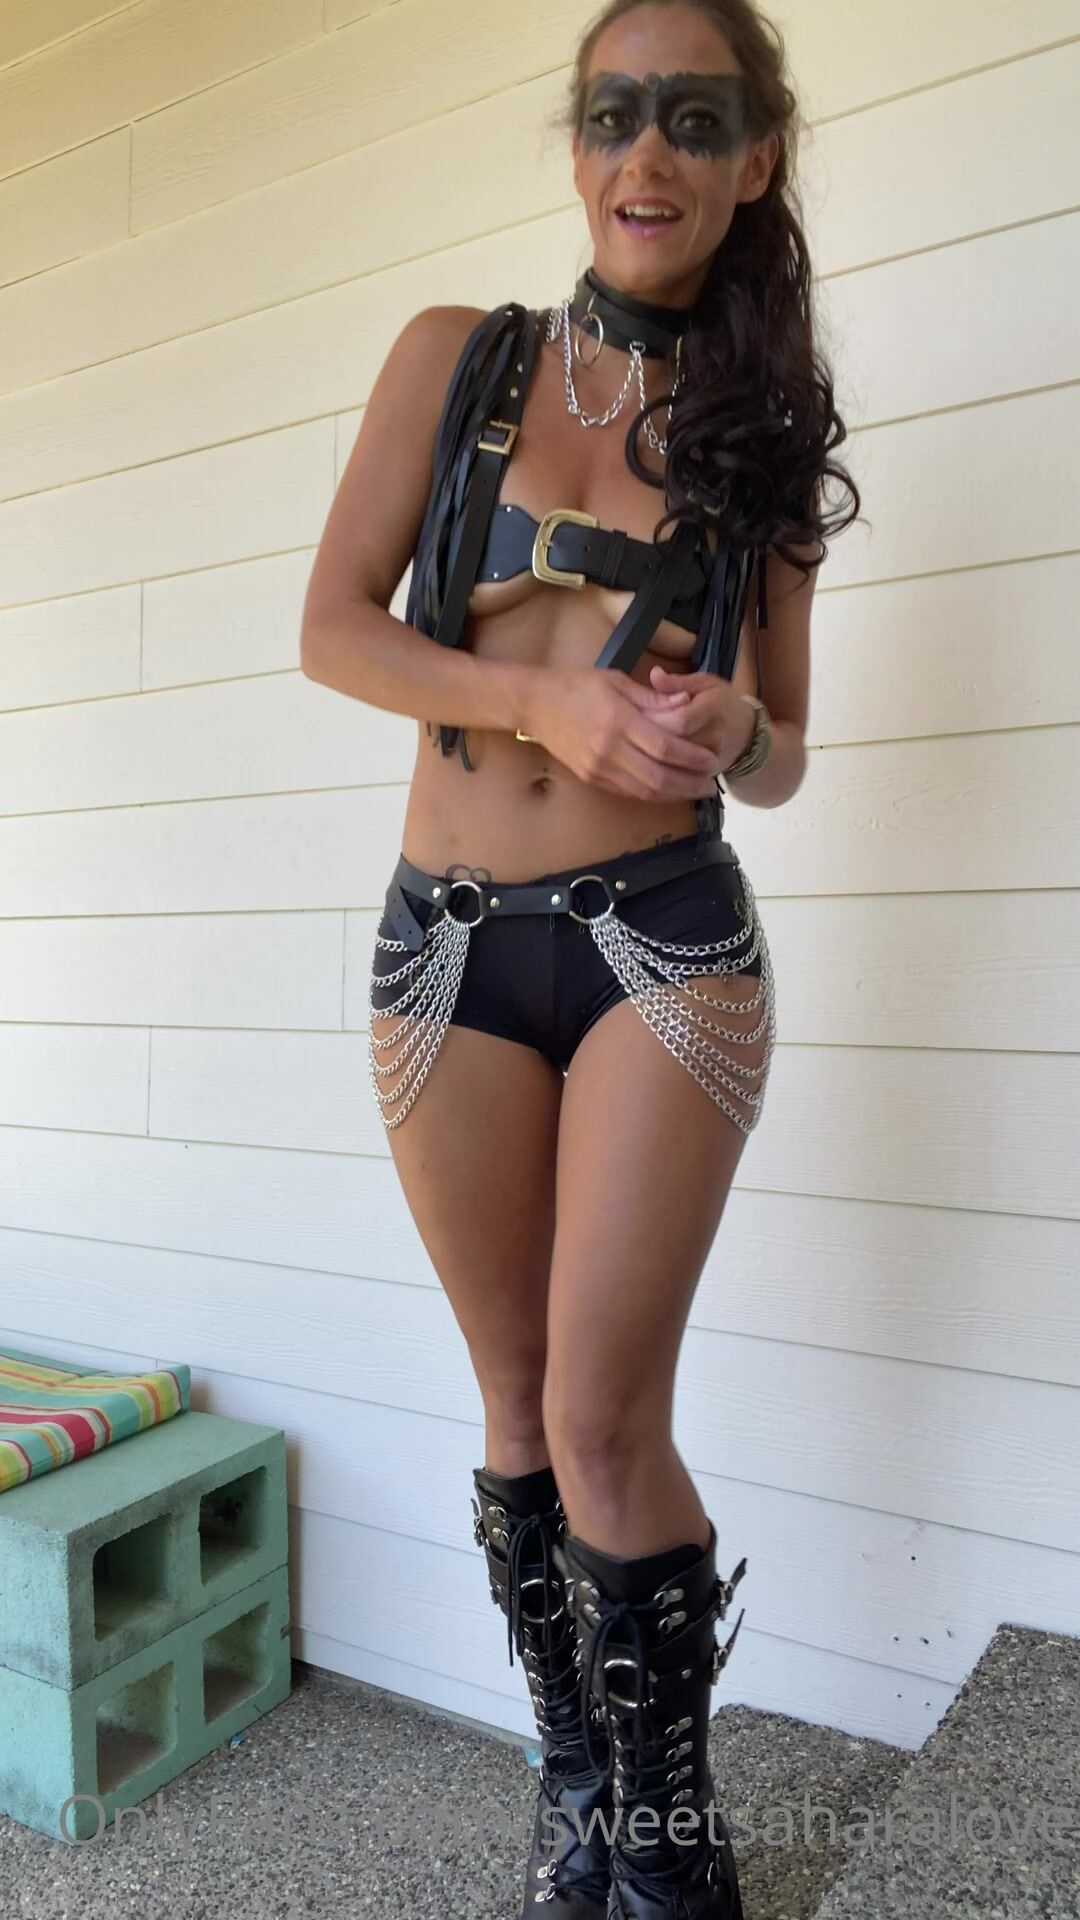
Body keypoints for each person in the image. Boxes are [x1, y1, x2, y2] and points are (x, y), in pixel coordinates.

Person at [300, 2, 859, 1913]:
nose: (648, 154)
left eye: (694, 121)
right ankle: (579, 1797)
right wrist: (538, 708)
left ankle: (674, 1856)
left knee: (610, 1420)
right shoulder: (456, 360)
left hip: (662, 945)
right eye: (615, 114)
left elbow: (786, 753)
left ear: (753, 161)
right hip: (446, 947)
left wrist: (737, 730)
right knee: (520, 1404)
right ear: (575, 148)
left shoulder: (765, 433)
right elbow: (334, 628)